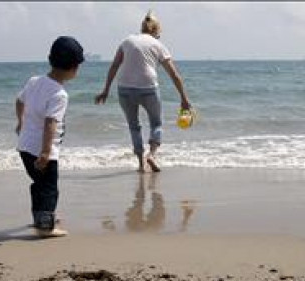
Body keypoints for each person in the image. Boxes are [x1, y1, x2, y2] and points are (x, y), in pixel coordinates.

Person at [95, 10, 192, 173]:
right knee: (156, 123)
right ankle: (152, 156)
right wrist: (184, 98)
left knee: (134, 126)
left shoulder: (127, 41)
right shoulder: (158, 45)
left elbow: (114, 66)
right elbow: (174, 74)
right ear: (156, 31)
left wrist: (105, 90)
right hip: (148, 88)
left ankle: (141, 164)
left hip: (124, 88)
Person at [15, 36, 84, 237]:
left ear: (50, 59)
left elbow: (19, 101)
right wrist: (45, 152)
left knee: (38, 185)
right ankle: (46, 226)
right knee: (49, 188)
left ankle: (41, 217)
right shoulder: (59, 94)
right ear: (73, 68)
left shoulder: (34, 81)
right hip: (42, 152)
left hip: (25, 147)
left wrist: (21, 122)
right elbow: (50, 123)